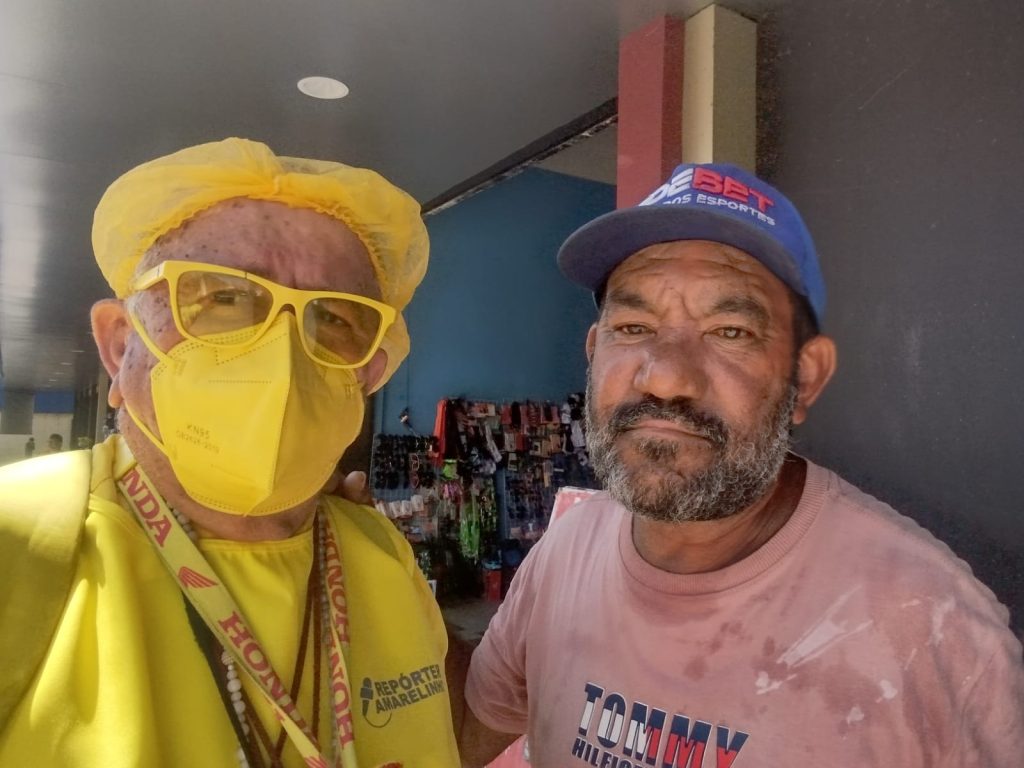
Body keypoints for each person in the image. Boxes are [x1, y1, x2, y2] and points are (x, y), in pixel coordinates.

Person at [460, 163, 1024, 767]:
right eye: (634, 326)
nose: (665, 377)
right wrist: (387, 580)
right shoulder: (563, 554)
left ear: (805, 379)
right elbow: (463, 736)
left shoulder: (932, 628)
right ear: (595, 353)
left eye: (729, 331)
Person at [0, 138, 458, 767]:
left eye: (334, 319)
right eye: (220, 298)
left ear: (369, 372)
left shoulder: (382, 553)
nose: (281, 354)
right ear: (120, 344)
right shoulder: (21, 539)